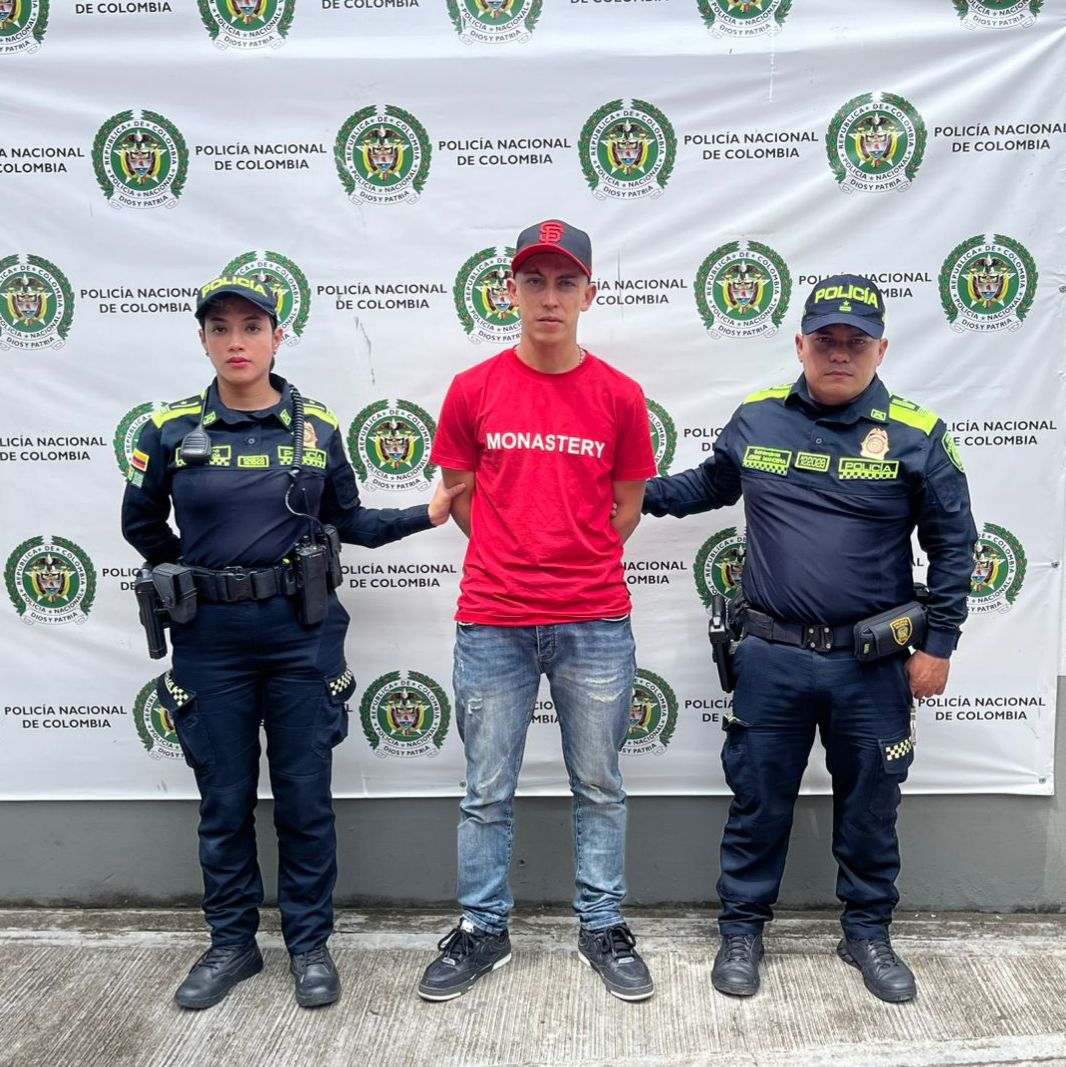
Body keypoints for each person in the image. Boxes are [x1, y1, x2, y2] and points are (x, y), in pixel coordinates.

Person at [121, 274, 462, 1010]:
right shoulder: (169, 430)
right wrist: (199, 577)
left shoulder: (317, 430)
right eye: (220, 328)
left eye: (252, 327)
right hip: (209, 640)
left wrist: (426, 513)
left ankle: (309, 944)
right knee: (224, 801)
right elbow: (140, 525)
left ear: (278, 337)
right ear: (203, 340)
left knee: (305, 801)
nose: (236, 342)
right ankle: (232, 944)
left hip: (299, 637)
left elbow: (351, 521)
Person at [642, 275, 977, 1003]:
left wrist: (940, 643)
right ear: (800, 344)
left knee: (871, 807)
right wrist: (629, 488)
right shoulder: (758, 418)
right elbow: (708, 485)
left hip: (871, 664)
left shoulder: (917, 434)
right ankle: (742, 929)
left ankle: (867, 932)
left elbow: (954, 544)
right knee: (758, 802)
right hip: (772, 658)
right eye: (826, 339)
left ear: (881, 350)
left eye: (856, 341)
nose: (840, 353)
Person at [417, 220, 658, 1003]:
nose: (548, 297)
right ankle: (483, 927)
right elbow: (459, 495)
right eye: (533, 281)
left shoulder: (620, 395)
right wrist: (513, 550)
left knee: (601, 783)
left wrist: (574, 556)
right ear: (509, 292)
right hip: (494, 619)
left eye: (565, 282)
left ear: (589, 294)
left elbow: (627, 505)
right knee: (487, 787)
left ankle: (603, 924)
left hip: (595, 619)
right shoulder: (472, 389)